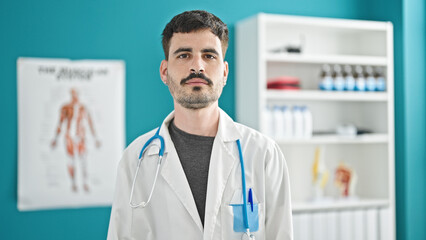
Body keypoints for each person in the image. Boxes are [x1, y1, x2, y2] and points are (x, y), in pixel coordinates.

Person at [107, 10, 293, 239]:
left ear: (224, 72)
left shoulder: (264, 154)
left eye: (209, 55)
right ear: (165, 72)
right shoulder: (135, 159)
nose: (197, 66)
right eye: (184, 55)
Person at [51, 88, 101, 192]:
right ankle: (73, 183)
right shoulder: (66, 108)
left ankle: (85, 183)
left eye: (76, 94)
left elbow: (90, 123)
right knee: (71, 160)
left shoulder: (83, 108)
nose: (75, 97)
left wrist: (95, 138)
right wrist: (55, 138)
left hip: (81, 137)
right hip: (69, 137)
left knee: (83, 160)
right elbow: (60, 123)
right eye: (73, 95)